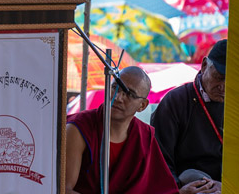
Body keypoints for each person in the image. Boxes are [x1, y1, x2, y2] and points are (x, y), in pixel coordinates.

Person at [66, 66, 179, 194]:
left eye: (129, 94)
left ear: (142, 106)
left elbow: (161, 189)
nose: (118, 97)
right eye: (115, 87)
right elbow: (62, 188)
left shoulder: (144, 136)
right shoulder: (78, 128)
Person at [152, 40, 227, 194]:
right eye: (218, 77)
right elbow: (161, 158)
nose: (223, 86)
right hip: (191, 183)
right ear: (204, 65)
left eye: (231, 80)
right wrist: (177, 190)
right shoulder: (175, 101)